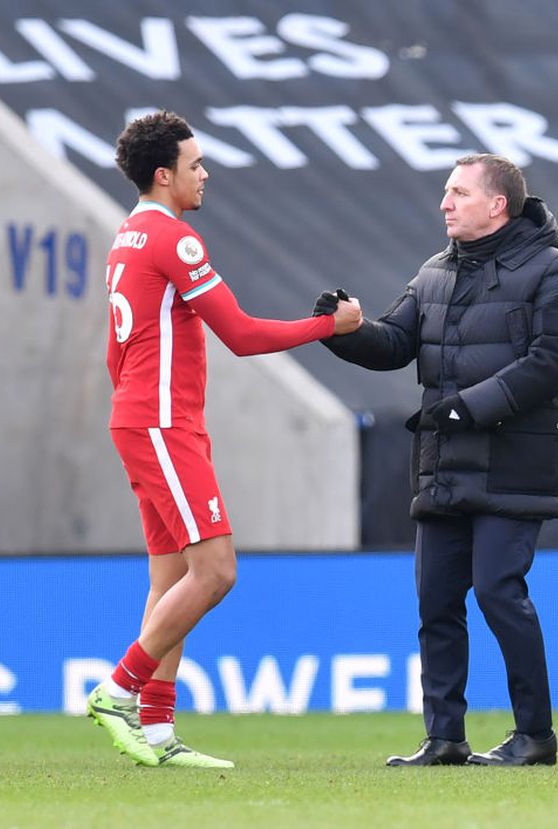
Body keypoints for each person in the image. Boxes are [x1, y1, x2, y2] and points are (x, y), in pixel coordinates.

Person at [90, 110, 362, 768]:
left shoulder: (127, 236)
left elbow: (115, 351)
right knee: (215, 571)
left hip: (143, 418)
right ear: (164, 175)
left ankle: (157, 734)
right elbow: (239, 334)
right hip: (162, 422)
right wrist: (329, 326)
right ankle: (117, 690)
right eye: (195, 164)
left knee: (171, 578)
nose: (205, 174)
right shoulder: (174, 239)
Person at [314, 153, 558, 767]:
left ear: (498, 205)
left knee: (498, 593)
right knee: (435, 602)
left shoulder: (554, 270)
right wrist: (343, 330)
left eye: (459, 193)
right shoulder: (435, 271)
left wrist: (470, 409)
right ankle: (444, 738)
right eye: (447, 192)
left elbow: (553, 360)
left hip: (515, 463)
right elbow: (394, 343)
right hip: (444, 463)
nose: (445, 203)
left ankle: (535, 736)